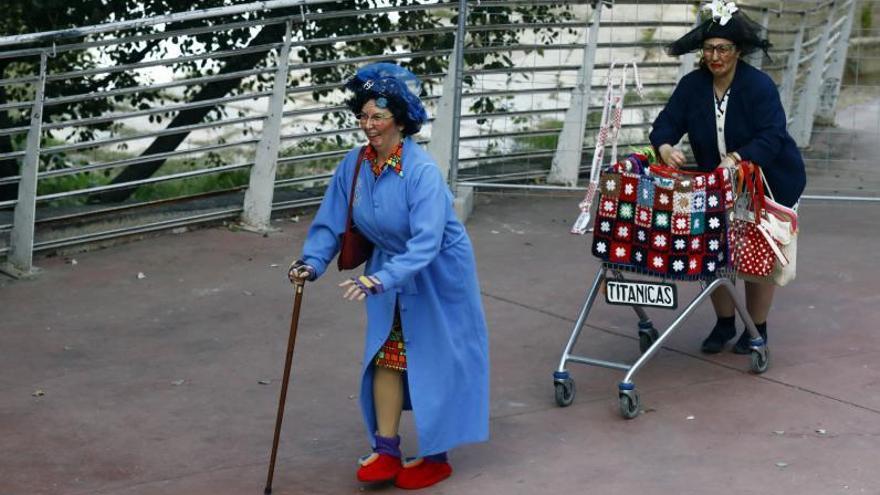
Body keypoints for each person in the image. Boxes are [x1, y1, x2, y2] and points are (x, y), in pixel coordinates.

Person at [287, 62, 489, 490]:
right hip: (386, 270)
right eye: (363, 116)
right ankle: (387, 449)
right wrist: (311, 262)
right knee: (386, 355)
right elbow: (332, 222)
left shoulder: (422, 172)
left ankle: (436, 456)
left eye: (377, 116)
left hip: (436, 274)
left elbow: (426, 243)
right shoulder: (355, 165)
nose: (368, 125)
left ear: (400, 118)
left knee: (435, 361)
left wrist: (376, 280)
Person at [649, 0, 806, 354]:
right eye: (708, 49)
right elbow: (665, 124)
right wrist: (665, 147)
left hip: (767, 180)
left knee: (757, 254)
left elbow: (772, 135)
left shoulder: (759, 86)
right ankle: (723, 324)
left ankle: (757, 330)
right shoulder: (692, 86)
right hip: (716, 182)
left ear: (738, 51)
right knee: (713, 251)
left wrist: (736, 158)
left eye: (723, 49)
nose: (715, 56)